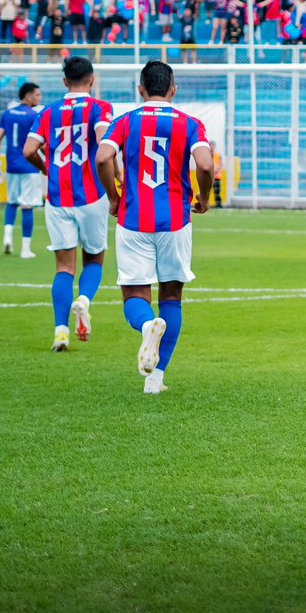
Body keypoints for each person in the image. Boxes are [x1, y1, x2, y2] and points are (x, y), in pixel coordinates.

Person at [96, 61, 215, 395]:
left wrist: (113, 198)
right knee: (172, 297)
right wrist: (203, 197)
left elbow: (104, 158)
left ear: (140, 90)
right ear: (173, 89)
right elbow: (205, 164)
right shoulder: (190, 123)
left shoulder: (124, 121)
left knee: (135, 295)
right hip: (175, 221)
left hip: (133, 220)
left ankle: (147, 325)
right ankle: (155, 379)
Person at [22, 57, 113, 351]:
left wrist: (47, 167)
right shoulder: (100, 108)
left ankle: (60, 330)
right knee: (94, 259)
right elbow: (104, 146)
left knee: (63, 267)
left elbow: (28, 150)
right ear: (92, 80)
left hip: (58, 197)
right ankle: (84, 300)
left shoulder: (47, 112)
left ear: (64, 82)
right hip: (91, 195)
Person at [0, 82, 43, 258]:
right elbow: (39, 144)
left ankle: (7, 238)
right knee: (27, 206)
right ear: (27, 95)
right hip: (30, 167)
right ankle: (25, 249)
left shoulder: (7, 114)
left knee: (12, 202)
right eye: (37, 94)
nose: (39, 98)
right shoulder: (33, 116)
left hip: (11, 166)